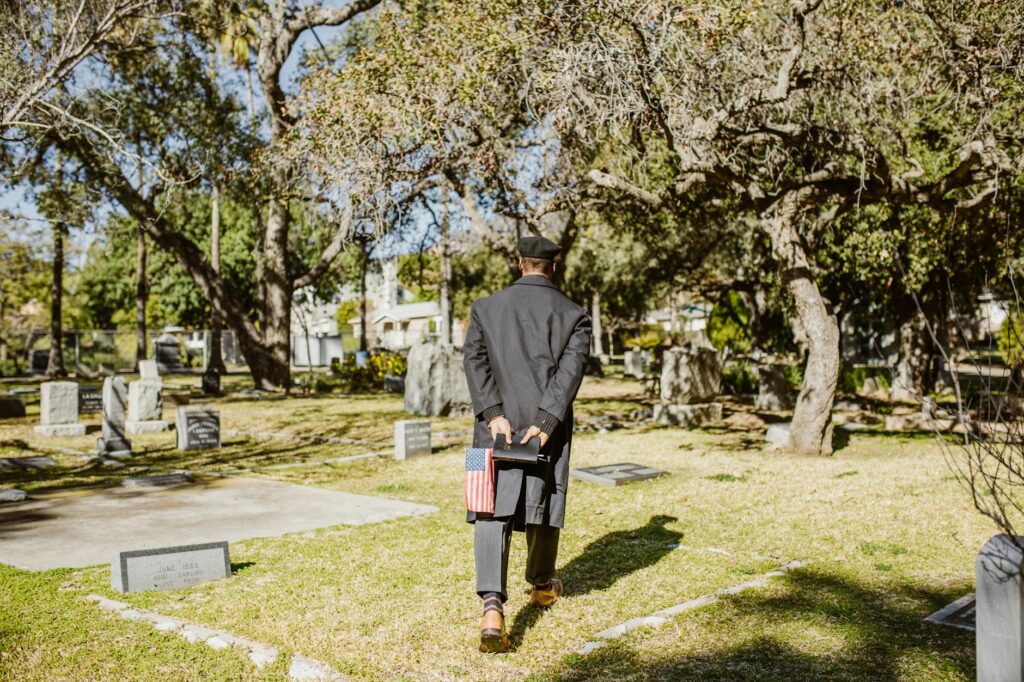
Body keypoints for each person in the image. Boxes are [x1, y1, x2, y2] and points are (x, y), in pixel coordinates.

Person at [462, 234, 592, 653]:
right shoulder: (575, 315)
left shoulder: (483, 308)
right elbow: (568, 376)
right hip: (545, 431)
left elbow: (473, 362)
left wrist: (493, 414)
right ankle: (540, 585)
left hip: (489, 429)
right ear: (552, 267)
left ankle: (492, 608)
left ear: (520, 264)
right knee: (544, 501)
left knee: (488, 510)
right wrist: (545, 421)